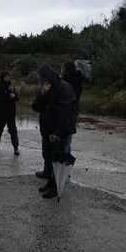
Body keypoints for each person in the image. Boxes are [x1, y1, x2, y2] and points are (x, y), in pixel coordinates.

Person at [35, 65, 77, 198]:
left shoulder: (64, 88)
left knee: (57, 158)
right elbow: (36, 107)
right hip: (48, 128)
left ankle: (55, 187)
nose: (40, 79)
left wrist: (58, 133)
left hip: (60, 130)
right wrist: (42, 93)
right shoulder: (47, 88)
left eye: (41, 77)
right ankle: (50, 182)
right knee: (49, 155)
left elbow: (64, 112)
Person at [0, 71, 20, 155]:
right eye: (6, 76)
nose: (7, 78)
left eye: (8, 76)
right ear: (2, 77)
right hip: (1, 112)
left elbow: (17, 97)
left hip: (11, 113)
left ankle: (16, 148)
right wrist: (8, 96)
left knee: (13, 130)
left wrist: (14, 96)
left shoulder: (11, 86)